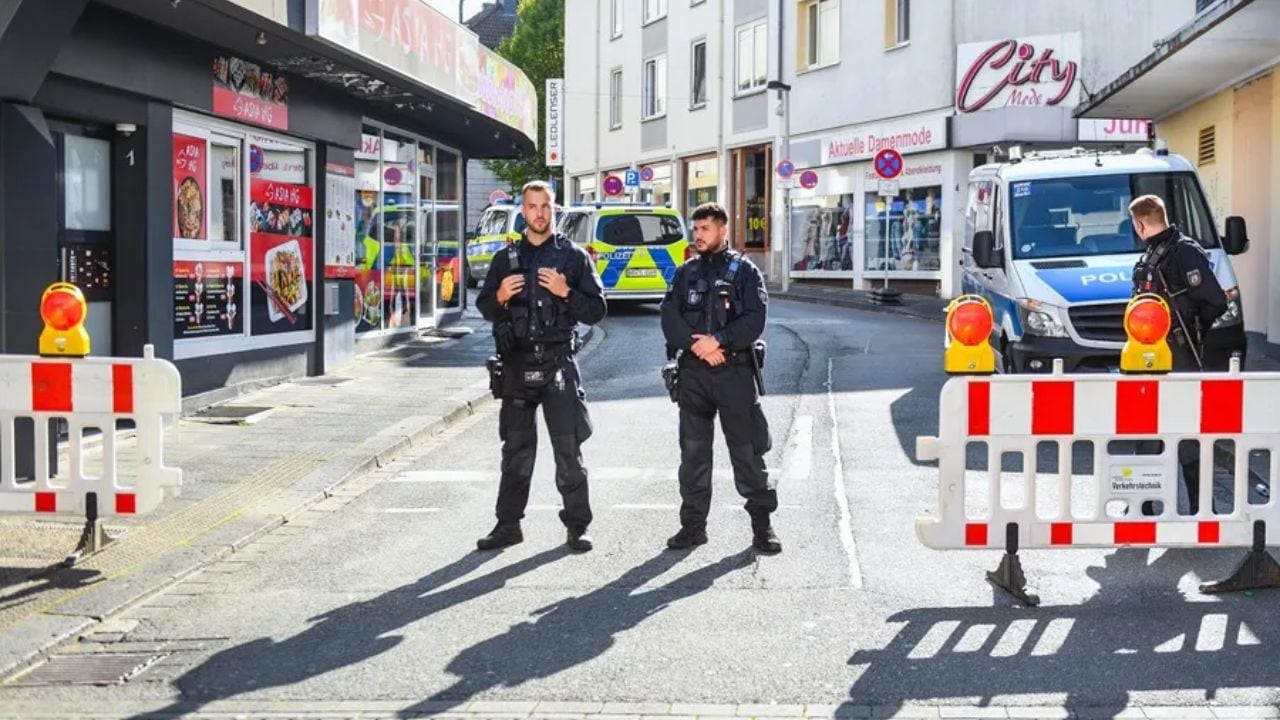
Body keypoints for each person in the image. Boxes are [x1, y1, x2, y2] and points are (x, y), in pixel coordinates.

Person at [475, 180, 607, 553]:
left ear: (555, 209)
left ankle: (577, 526)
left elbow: (597, 310)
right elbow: (485, 306)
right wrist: (499, 297)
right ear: (523, 211)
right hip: (516, 364)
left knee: (568, 451)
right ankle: (508, 525)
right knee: (515, 451)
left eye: (545, 206)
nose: (538, 213)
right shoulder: (506, 259)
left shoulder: (572, 257)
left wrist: (567, 292)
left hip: (558, 364)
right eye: (532, 207)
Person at [660, 202, 780, 554]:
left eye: (705, 229)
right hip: (694, 376)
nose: (698, 235)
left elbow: (754, 321)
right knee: (694, 456)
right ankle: (693, 527)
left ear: (723, 231)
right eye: (695, 229)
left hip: (734, 373)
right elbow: (669, 317)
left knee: (747, 454)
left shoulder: (745, 273)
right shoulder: (685, 273)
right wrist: (697, 347)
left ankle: (763, 527)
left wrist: (720, 341)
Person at [1129, 193, 1229, 515]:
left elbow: (1215, 301)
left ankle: (1199, 509)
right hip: (1154, 356)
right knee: (1152, 431)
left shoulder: (1183, 252)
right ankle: (1144, 506)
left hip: (1178, 355)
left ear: (1140, 224)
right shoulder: (1156, 253)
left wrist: (1192, 331)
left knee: (1183, 434)